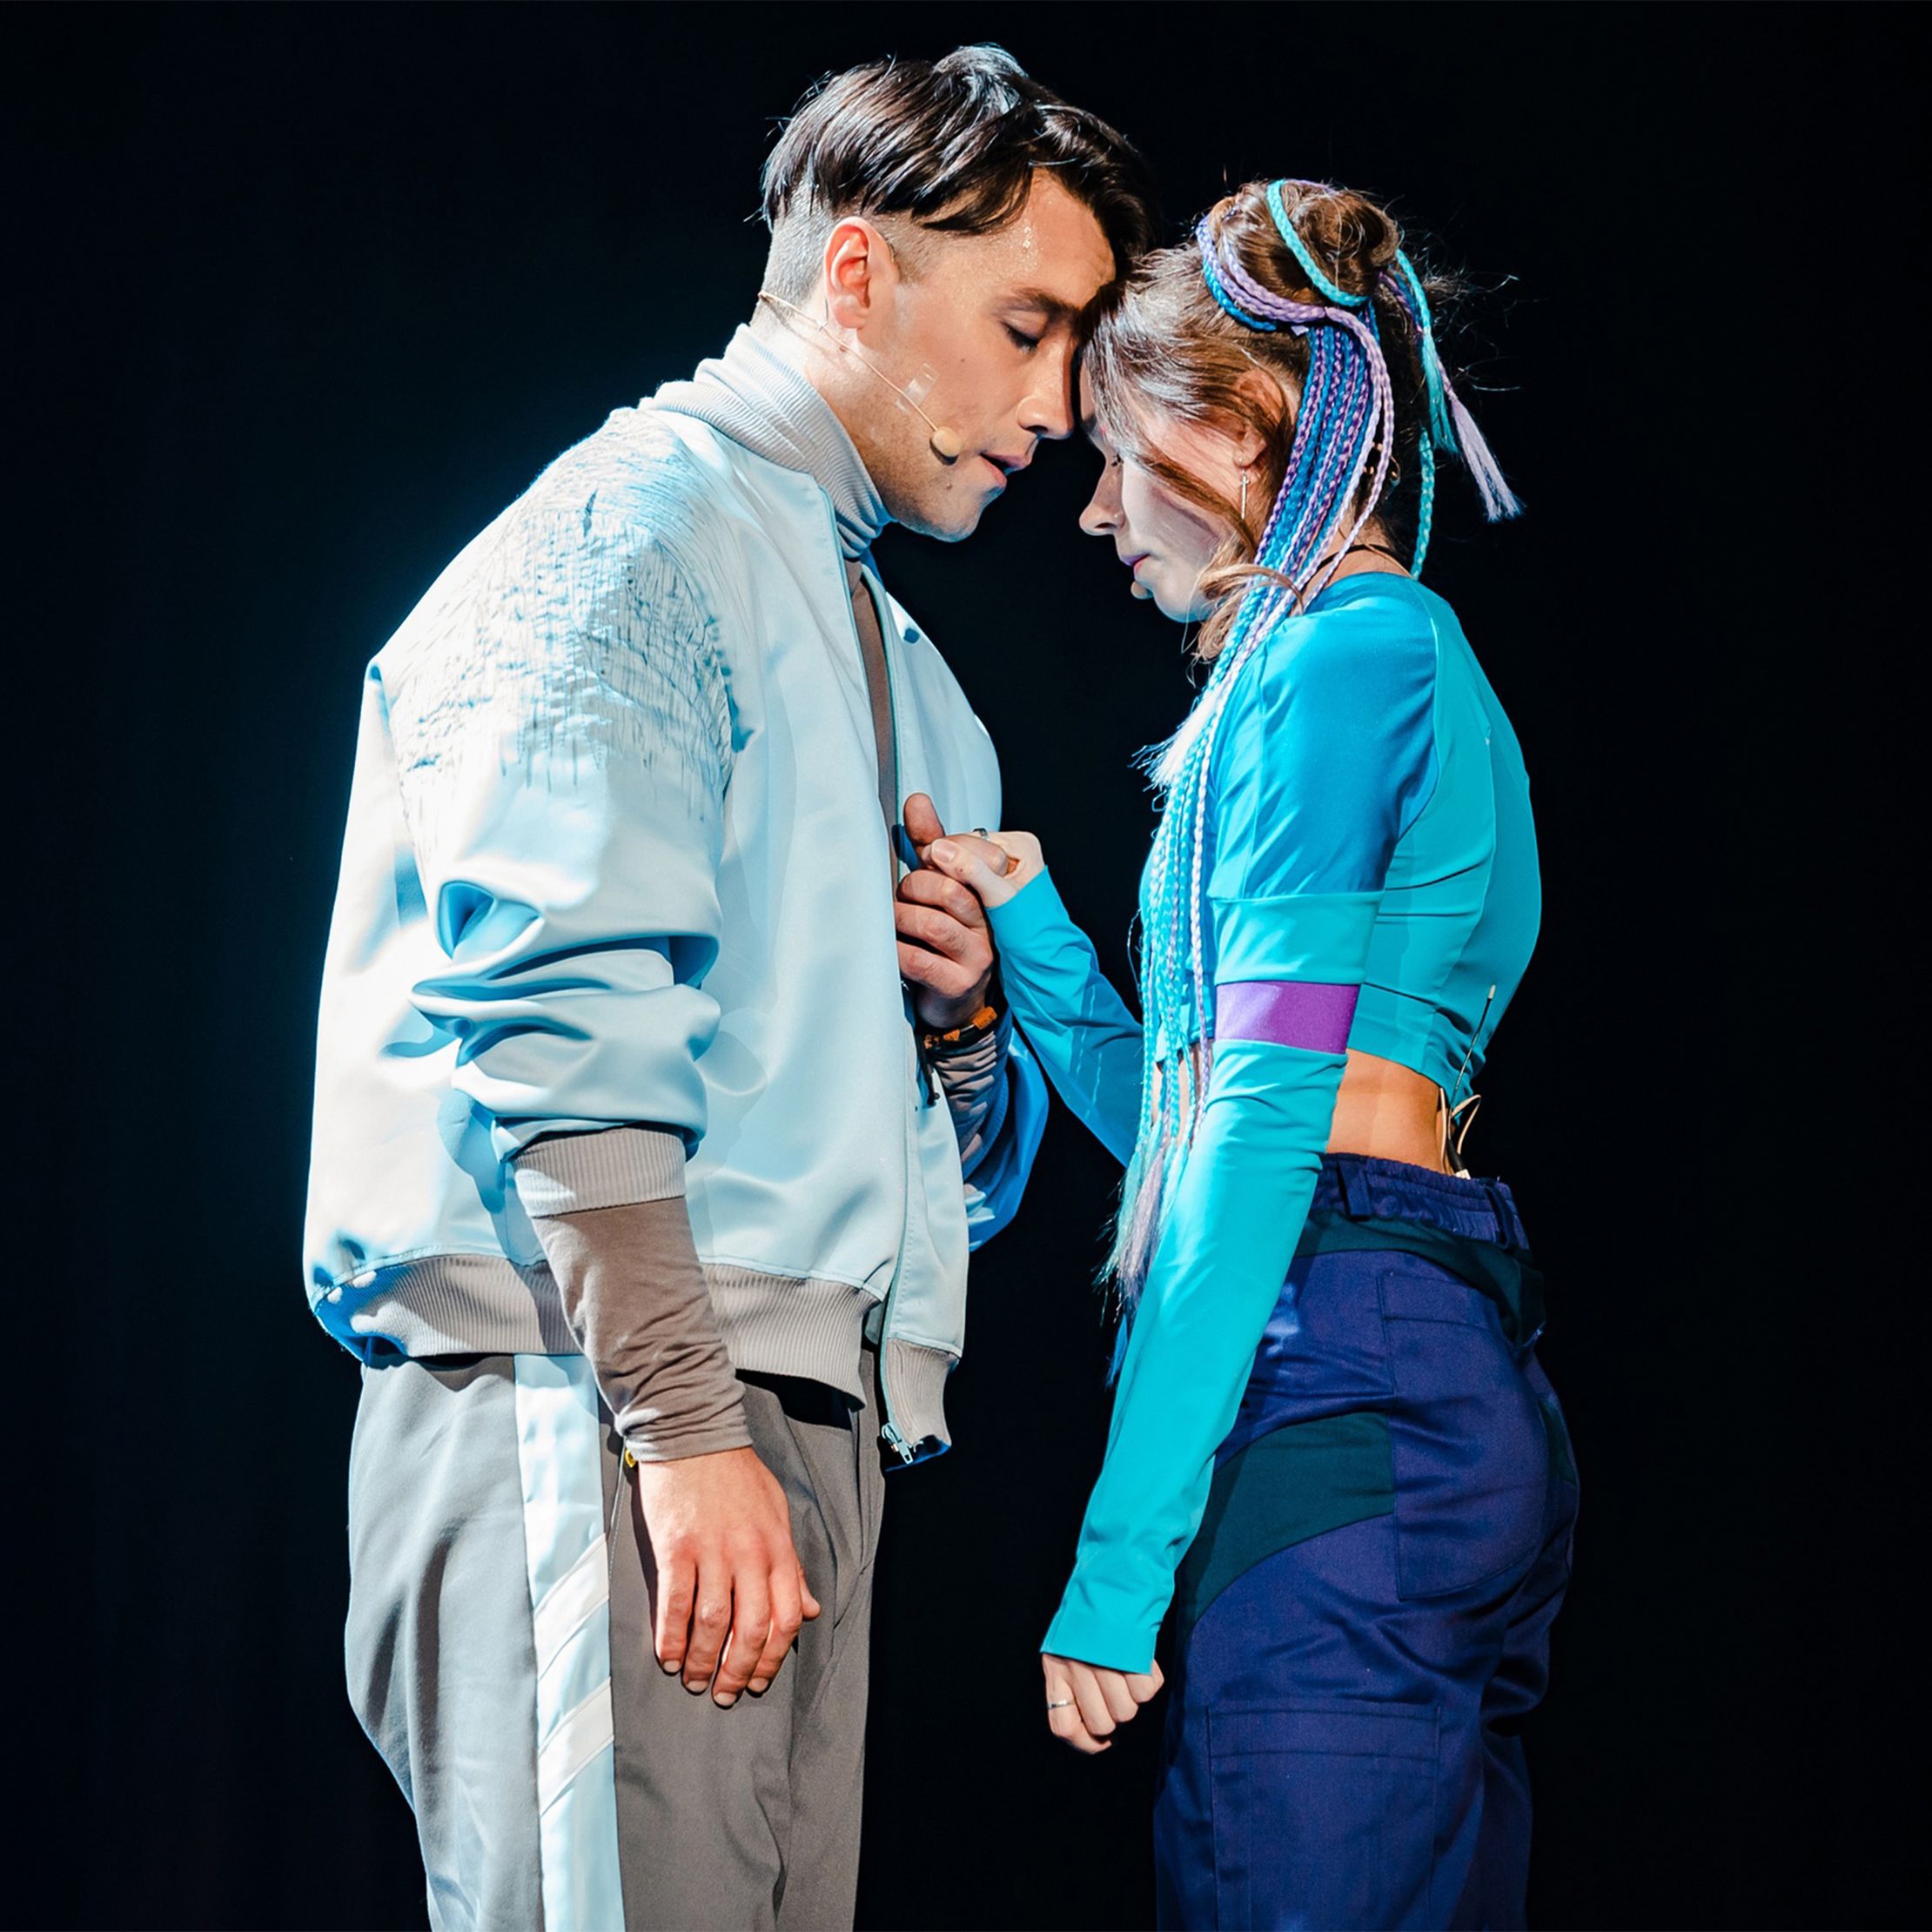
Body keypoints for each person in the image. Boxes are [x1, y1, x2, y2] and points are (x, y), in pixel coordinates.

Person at [302, 46, 1154, 1932]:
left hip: (801, 1418)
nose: (1055, 408)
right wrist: (686, 1427)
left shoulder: (911, 670)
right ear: (856, 273)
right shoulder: (630, 540)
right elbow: (550, 1011)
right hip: (598, 1398)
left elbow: (940, 1180)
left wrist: (964, 1038)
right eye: (1027, 329)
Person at [925, 178, 1578, 1929]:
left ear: (1237, 426)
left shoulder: (1353, 657)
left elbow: (1263, 1128)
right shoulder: (1376, 661)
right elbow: (1206, 1120)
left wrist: (1116, 1563)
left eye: (1115, 450)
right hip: (1415, 1352)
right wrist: (1038, 940)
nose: (1093, 509)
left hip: (1346, 1367)